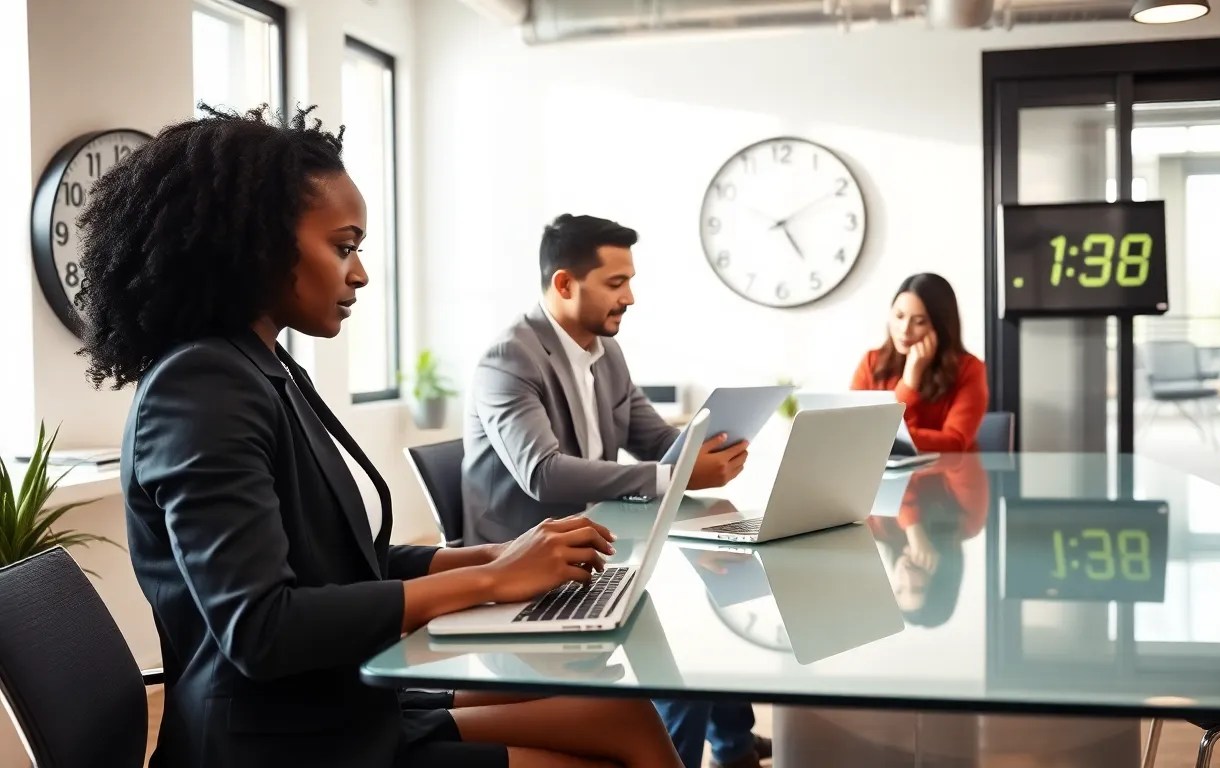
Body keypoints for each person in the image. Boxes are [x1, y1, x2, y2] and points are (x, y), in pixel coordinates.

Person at [75, 104, 682, 768]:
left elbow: (338, 564)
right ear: (257, 244)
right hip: (283, 745)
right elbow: (262, 628)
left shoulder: (261, 368)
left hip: (334, 707)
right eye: (343, 247)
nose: (359, 273)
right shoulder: (201, 387)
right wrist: (490, 582)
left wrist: (506, 558)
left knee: (624, 711)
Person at [462, 213, 768, 768]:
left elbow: (653, 439)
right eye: (616, 282)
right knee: (685, 647)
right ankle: (681, 755)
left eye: (630, 280)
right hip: (525, 565)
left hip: (600, 546)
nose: (630, 297)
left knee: (710, 608)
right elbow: (543, 473)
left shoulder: (607, 353)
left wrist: (709, 447)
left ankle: (732, 746)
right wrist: (672, 476)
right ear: (564, 284)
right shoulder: (510, 357)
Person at [851, 272, 989, 453]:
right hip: (883, 476)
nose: (905, 329)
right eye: (899, 316)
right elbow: (852, 428)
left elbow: (955, 442)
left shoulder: (969, 369)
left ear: (940, 326)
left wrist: (910, 380)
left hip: (948, 477)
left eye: (919, 321)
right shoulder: (872, 361)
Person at [867, 453, 989, 626]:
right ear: (941, 581)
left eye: (899, 590)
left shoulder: (877, 530)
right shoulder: (968, 522)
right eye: (918, 589)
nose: (906, 578)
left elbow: (873, 471)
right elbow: (958, 456)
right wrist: (912, 525)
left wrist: (911, 525)